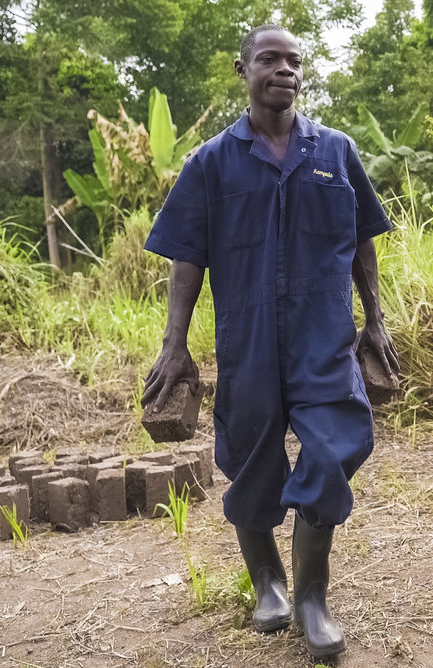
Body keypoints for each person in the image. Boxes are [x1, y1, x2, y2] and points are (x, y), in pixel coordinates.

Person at [141, 24, 399, 659]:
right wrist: (175, 344)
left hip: (323, 334)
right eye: (269, 59)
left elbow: (363, 239)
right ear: (243, 69)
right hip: (247, 335)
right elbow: (186, 258)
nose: (284, 69)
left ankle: (312, 595)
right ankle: (268, 585)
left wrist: (375, 317)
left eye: (294, 60)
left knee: (335, 447)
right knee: (250, 458)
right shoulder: (210, 162)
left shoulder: (335, 152)